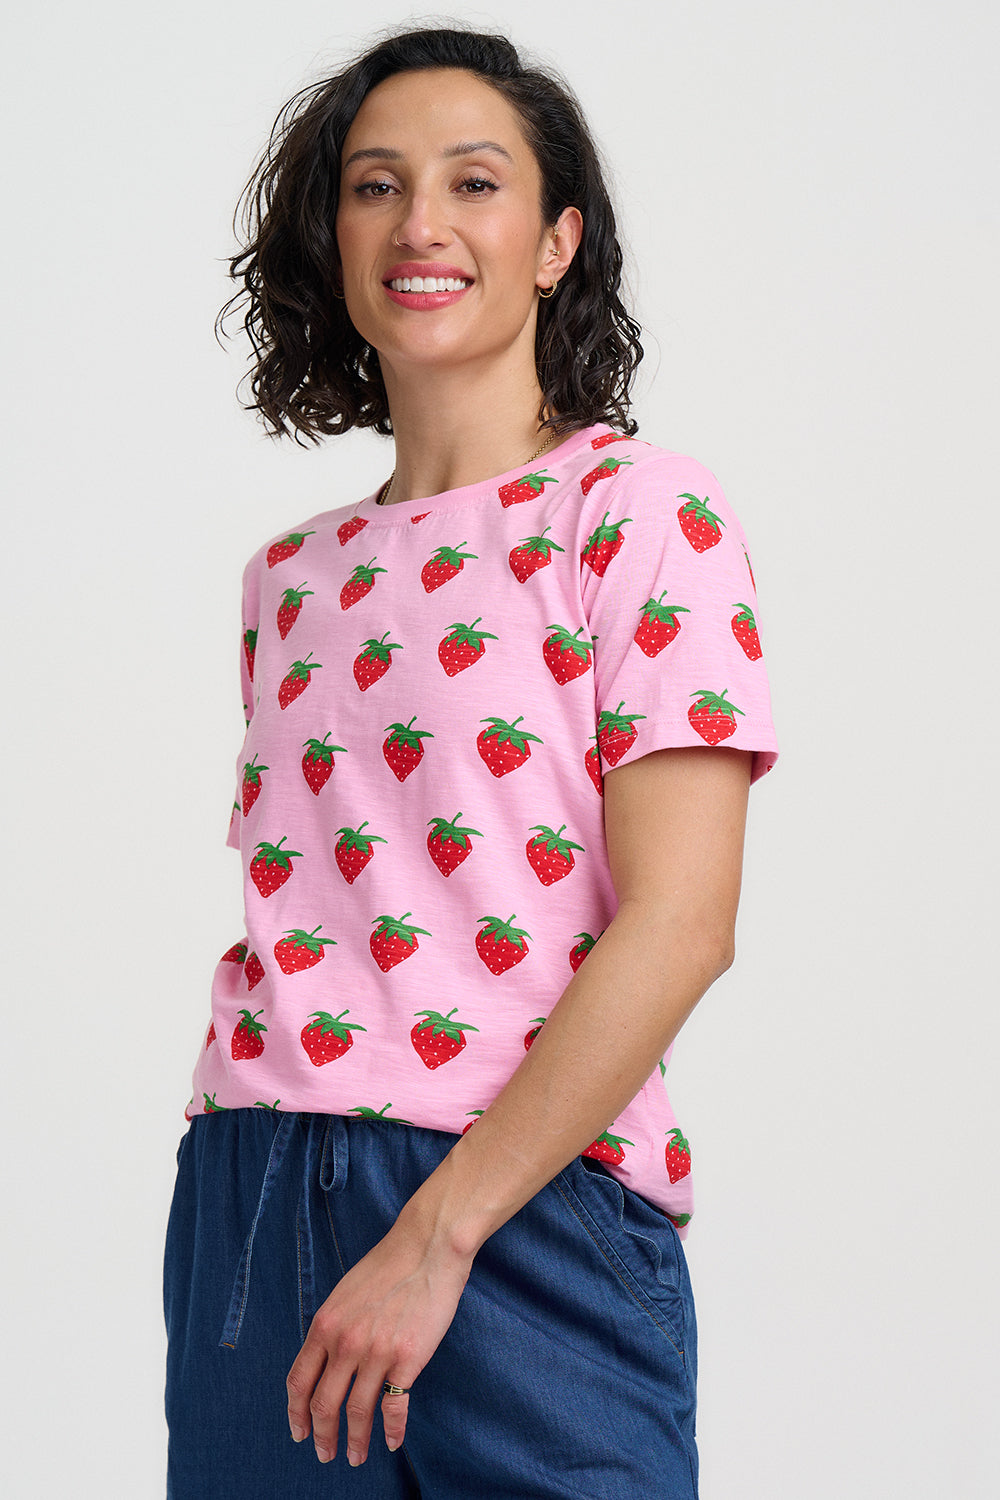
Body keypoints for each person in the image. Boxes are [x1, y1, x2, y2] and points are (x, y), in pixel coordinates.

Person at [162, 23, 778, 1500]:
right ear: (335, 239)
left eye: (474, 182)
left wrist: (440, 1232)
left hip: (526, 1206)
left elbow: (683, 925)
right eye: (375, 187)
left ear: (558, 240)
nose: (420, 223)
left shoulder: (639, 513)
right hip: (257, 1201)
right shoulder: (291, 578)